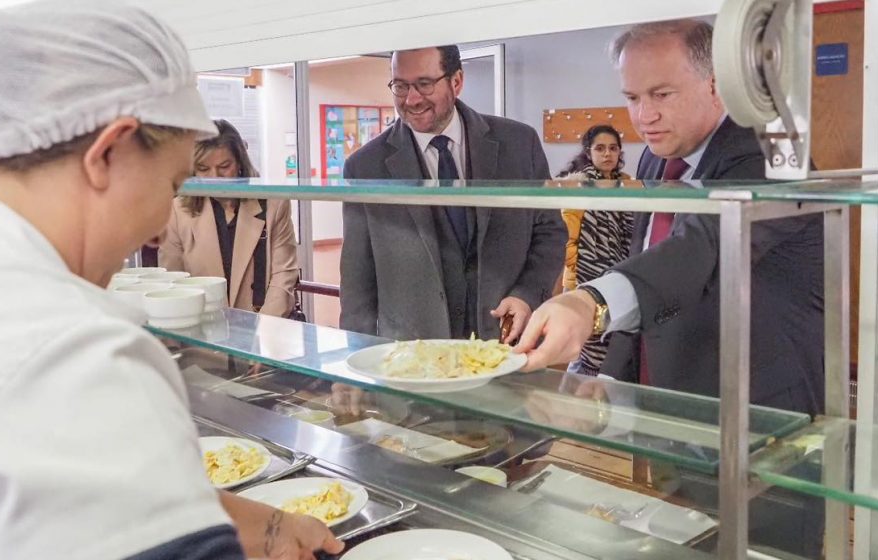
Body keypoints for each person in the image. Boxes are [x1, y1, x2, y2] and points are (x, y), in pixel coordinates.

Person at [0, 3, 342, 559]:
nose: (161, 215)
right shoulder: (70, 354)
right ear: (108, 153)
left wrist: (261, 525)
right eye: (172, 182)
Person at [516, 18, 824, 416]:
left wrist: (590, 303)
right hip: (671, 404)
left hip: (758, 411)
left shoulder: (768, 155)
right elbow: (646, 270)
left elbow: (698, 250)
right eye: (632, 97)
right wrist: (612, 380)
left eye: (661, 94)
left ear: (715, 83)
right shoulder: (654, 158)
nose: (644, 116)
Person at [341, 45, 564, 343]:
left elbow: (549, 232)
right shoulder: (364, 166)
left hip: (507, 345)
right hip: (415, 357)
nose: (411, 99)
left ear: (456, 81)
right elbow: (358, 279)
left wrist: (526, 295)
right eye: (400, 86)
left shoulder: (519, 143)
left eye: (424, 84)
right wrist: (357, 358)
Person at [158, 119, 299, 317]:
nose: (215, 177)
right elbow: (172, 284)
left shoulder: (274, 204)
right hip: (202, 331)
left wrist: (260, 335)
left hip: (263, 332)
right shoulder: (177, 211)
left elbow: (283, 278)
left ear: (240, 162)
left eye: (224, 166)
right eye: (203, 169)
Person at [555, 124, 634, 375]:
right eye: (600, 148)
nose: (607, 154)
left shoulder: (629, 185)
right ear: (589, 153)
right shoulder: (576, 185)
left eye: (613, 148)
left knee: (610, 338)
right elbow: (566, 237)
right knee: (587, 341)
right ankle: (581, 396)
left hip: (621, 273)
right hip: (583, 275)